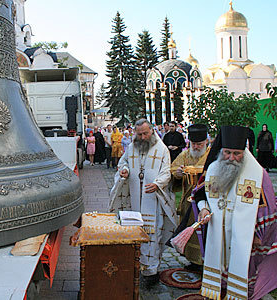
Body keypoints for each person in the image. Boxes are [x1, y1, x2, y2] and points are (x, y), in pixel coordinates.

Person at [195, 125, 277, 300]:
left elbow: (267, 207)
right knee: (219, 273)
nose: (231, 158)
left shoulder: (258, 174)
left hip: (246, 237)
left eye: (236, 153)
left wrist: (257, 234)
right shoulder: (213, 169)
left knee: (244, 277)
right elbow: (201, 194)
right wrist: (203, 208)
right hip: (218, 233)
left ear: (245, 151)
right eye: (227, 152)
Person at [110, 119, 177, 287]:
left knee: (152, 235)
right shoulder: (132, 147)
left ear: (152, 131)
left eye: (145, 133)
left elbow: (166, 171)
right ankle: (135, 266)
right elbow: (123, 162)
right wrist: (124, 171)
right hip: (134, 199)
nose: (142, 137)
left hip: (153, 200)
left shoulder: (161, 149)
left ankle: (151, 272)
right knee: (133, 233)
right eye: (139, 134)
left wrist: (158, 183)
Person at [170, 124, 210, 269]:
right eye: (194, 144)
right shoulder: (185, 155)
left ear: (206, 142)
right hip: (188, 200)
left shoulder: (211, 155)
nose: (197, 147)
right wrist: (178, 173)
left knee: (203, 231)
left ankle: (204, 261)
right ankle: (192, 260)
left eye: (200, 144)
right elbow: (173, 168)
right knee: (189, 228)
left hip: (206, 201)